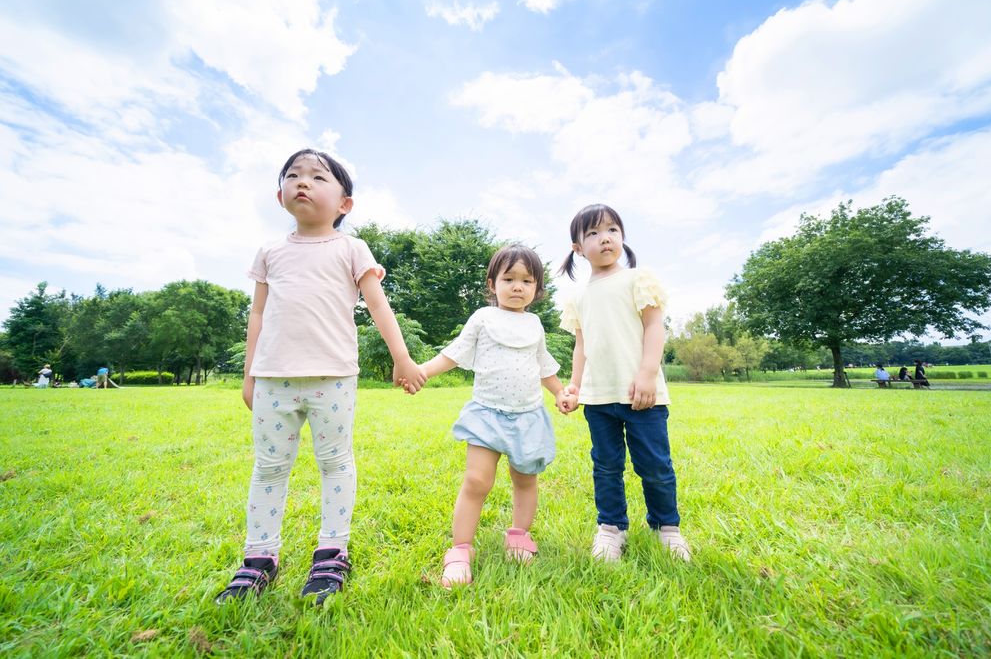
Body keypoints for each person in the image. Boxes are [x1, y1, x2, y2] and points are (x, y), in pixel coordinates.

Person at [215, 148, 426, 605]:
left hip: (332, 378)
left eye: (317, 177)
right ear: (280, 196)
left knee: (335, 461)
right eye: (293, 176)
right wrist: (249, 374)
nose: (303, 182)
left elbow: (378, 305)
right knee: (270, 467)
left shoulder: (352, 248)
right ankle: (258, 558)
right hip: (273, 379)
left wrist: (402, 357)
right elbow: (257, 315)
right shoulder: (270, 252)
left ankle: (332, 551)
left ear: (345, 203)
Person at [403, 245, 569, 588]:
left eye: (527, 280)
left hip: (528, 416)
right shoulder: (483, 317)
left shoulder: (535, 324)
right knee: (477, 481)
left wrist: (560, 392)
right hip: (487, 415)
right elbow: (453, 354)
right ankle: (460, 550)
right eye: (509, 279)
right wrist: (422, 371)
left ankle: (519, 536)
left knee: (526, 480)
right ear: (492, 284)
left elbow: (543, 366)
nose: (518, 286)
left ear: (537, 289)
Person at [557, 204, 690, 563]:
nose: (605, 238)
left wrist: (647, 374)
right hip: (599, 399)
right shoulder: (579, 296)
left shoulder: (638, 279)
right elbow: (582, 347)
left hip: (642, 396)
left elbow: (653, 327)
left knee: (655, 465)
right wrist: (574, 387)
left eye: (612, 230)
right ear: (578, 248)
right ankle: (611, 528)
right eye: (594, 233)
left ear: (622, 236)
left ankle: (667, 528)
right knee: (606, 465)